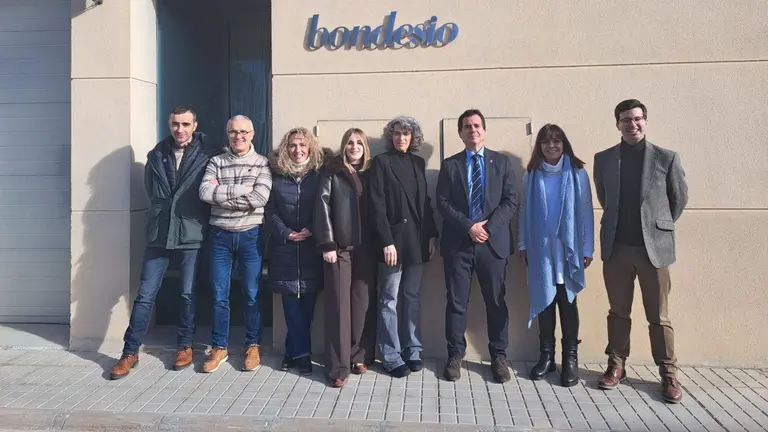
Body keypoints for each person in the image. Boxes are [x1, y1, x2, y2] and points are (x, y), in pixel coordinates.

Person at [593, 99, 688, 403]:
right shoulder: (604, 159)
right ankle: (616, 364)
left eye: (637, 119)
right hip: (618, 248)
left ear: (645, 121)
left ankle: (668, 373)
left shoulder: (666, 158)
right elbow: (605, 197)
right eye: (625, 120)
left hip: (653, 251)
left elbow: (678, 199)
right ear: (617, 124)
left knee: (658, 317)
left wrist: (655, 227)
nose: (632, 125)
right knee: (618, 312)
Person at [110, 105, 215, 380]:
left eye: (185, 124)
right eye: (175, 124)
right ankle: (129, 352)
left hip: (191, 233)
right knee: (145, 294)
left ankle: (185, 345)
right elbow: (151, 190)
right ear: (170, 126)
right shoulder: (156, 155)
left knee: (187, 293)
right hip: (159, 234)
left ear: (194, 125)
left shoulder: (207, 156)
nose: (179, 129)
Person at [436, 108, 517, 383]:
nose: (473, 130)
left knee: (496, 302)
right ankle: (455, 355)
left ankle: (499, 356)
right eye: (467, 127)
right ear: (460, 133)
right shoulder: (450, 165)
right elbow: (443, 202)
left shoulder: (502, 163)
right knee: (456, 303)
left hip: (493, 245)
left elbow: (510, 202)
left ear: (484, 129)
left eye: (477, 125)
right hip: (458, 244)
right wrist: (469, 226)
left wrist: (486, 228)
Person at [518, 124, 594, 387]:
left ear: (564, 144)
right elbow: (525, 212)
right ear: (539, 146)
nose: (552, 145)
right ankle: (546, 356)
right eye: (546, 141)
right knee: (545, 302)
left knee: (567, 301)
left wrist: (586, 248)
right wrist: (523, 245)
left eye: (557, 141)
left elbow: (586, 211)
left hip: (567, 249)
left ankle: (570, 359)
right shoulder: (532, 174)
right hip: (541, 249)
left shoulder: (577, 173)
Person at [198, 115, 272, 373]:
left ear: (252, 134)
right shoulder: (216, 161)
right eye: (233, 132)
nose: (238, 136)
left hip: (251, 235)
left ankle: (252, 345)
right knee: (220, 294)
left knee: (251, 294)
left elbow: (261, 197)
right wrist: (243, 190)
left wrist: (223, 194)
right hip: (220, 236)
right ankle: (219, 347)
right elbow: (205, 193)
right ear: (227, 134)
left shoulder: (262, 163)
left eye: (243, 132)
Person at [369, 116, 439, 378]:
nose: (401, 138)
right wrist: (386, 241)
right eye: (397, 133)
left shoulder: (418, 163)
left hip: (418, 242)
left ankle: (413, 350)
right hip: (393, 244)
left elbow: (425, 202)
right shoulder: (381, 162)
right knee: (389, 300)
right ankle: (390, 354)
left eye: (406, 134)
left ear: (413, 138)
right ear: (391, 137)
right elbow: (376, 205)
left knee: (412, 297)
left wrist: (432, 235)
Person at [315, 128, 378, 388]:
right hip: (339, 249)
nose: (354, 147)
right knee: (339, 307)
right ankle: (337, 367)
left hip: (367, 249)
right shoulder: (333, 172)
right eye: (350, 143)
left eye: (359, 143)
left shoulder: (372, 173)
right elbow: (322, 205)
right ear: (344, 146)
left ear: (365, 147)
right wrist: (327, 243)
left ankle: (359, 355)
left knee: (362, 304)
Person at [266, 127, 329, 376]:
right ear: (286, 148)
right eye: (292, 145)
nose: (298, 150)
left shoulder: (319, 174)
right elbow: (269, 210)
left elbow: (327, 205)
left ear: (310, 147)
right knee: (291, 305)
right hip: (285, 248)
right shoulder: (276, 175)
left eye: (302, 145)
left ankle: (291, 350)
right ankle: (302, 356)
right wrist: (285, 232)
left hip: (312, 247)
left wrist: (312, 229)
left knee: (309, 305)